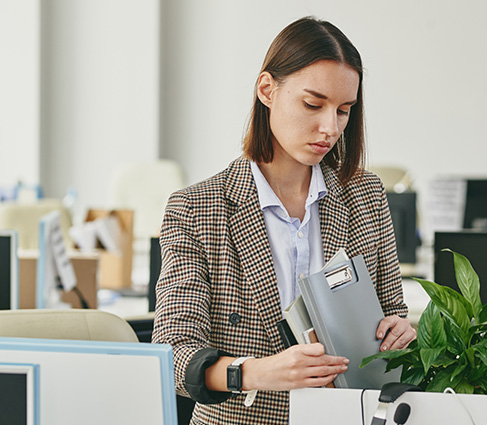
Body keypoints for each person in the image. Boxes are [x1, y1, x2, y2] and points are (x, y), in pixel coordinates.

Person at [152, 17, 415, 425]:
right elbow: (172, 353)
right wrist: (259, 372)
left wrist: (400, 330)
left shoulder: (365, 195)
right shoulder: (197, 208)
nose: (330, 128)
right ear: (267, 90)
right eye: (313, 104)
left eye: (344, 111)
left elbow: (393, 311)